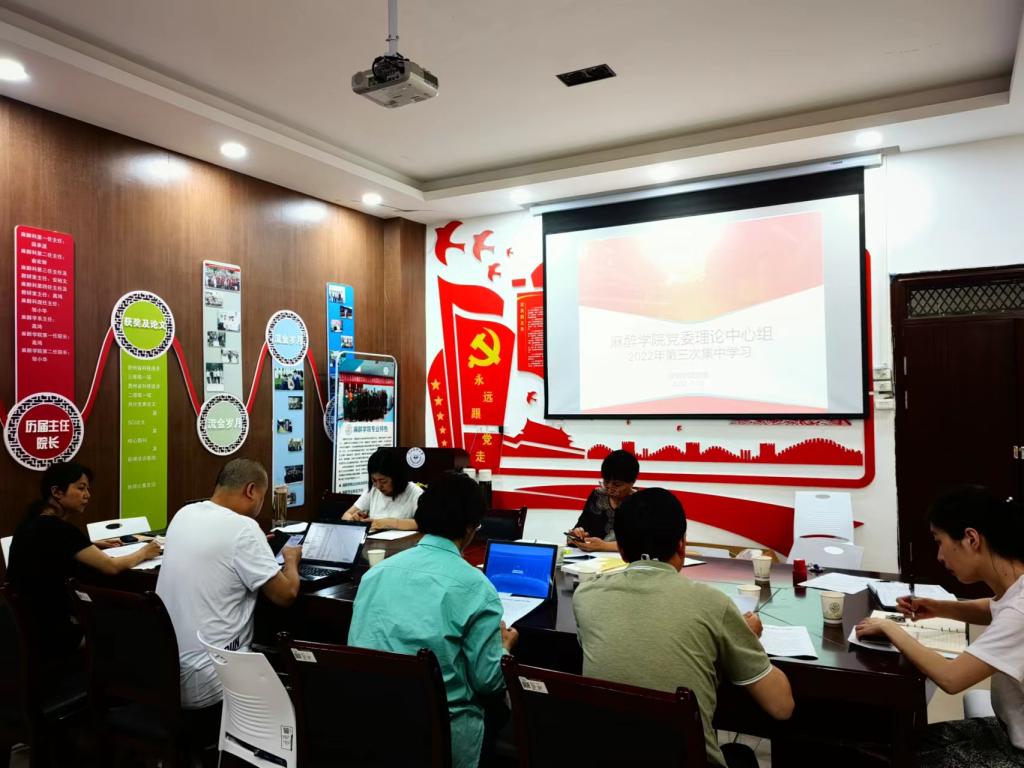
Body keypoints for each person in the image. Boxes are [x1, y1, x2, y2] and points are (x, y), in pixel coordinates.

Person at [573, 488, 794, 768]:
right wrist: (747, 637)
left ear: (622, 550)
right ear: (682, 545)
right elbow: (781, 706)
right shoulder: (713, 603)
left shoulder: (586, 596)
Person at [348, 471, 517, 768]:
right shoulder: (476, 588)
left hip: (372, 724)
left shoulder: (375, 574)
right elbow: (488, 682)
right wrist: (504, 649)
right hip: (442, 735)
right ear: (470, 529)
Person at [855, 486, 1024, 767]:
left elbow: (950, 678)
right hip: (1008, 730)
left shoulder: (1019, 610)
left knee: (904, 756)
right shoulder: (1015, 588)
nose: (940, 557)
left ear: (971, 539)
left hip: (1016, 752)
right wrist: (939, 607)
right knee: (905, 741)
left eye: (939, 541)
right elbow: (993, 608)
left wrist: (890, 628)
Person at [156, 458, 301, 712]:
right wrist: (291, 560)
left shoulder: (184, 514)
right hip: (212, 678)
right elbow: (286, 594)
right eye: (263, 496)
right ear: (251, 490)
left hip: (163, 673)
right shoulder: (244, 528)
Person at [6, 461, 161, 657]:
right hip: (57, 630)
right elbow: (111, 567)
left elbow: (56, 549)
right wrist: (144, 552)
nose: (87, 495)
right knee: (139, 622)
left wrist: (90, 544)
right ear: (57, 492)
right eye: (81, 488)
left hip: (29, 625)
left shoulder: (32, 523)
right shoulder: (59, 529)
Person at [567, 449, 639, 552]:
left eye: (616, 484)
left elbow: (645, 543)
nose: (610, 488)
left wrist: (604, 546)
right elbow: (579, 528)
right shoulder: (598, 496)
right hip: (591, 559)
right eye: (606, 482)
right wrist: (577, 534)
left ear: (632, 482)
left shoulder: (642, 503)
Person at [342, 447, 423, 532]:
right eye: (374, 480)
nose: (378, 486)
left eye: (383, 481)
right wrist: (354, 520)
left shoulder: (415, 493)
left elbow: (423, 523)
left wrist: (386, 523)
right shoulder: (373, 490)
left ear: (396, 478)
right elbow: (346, 515)